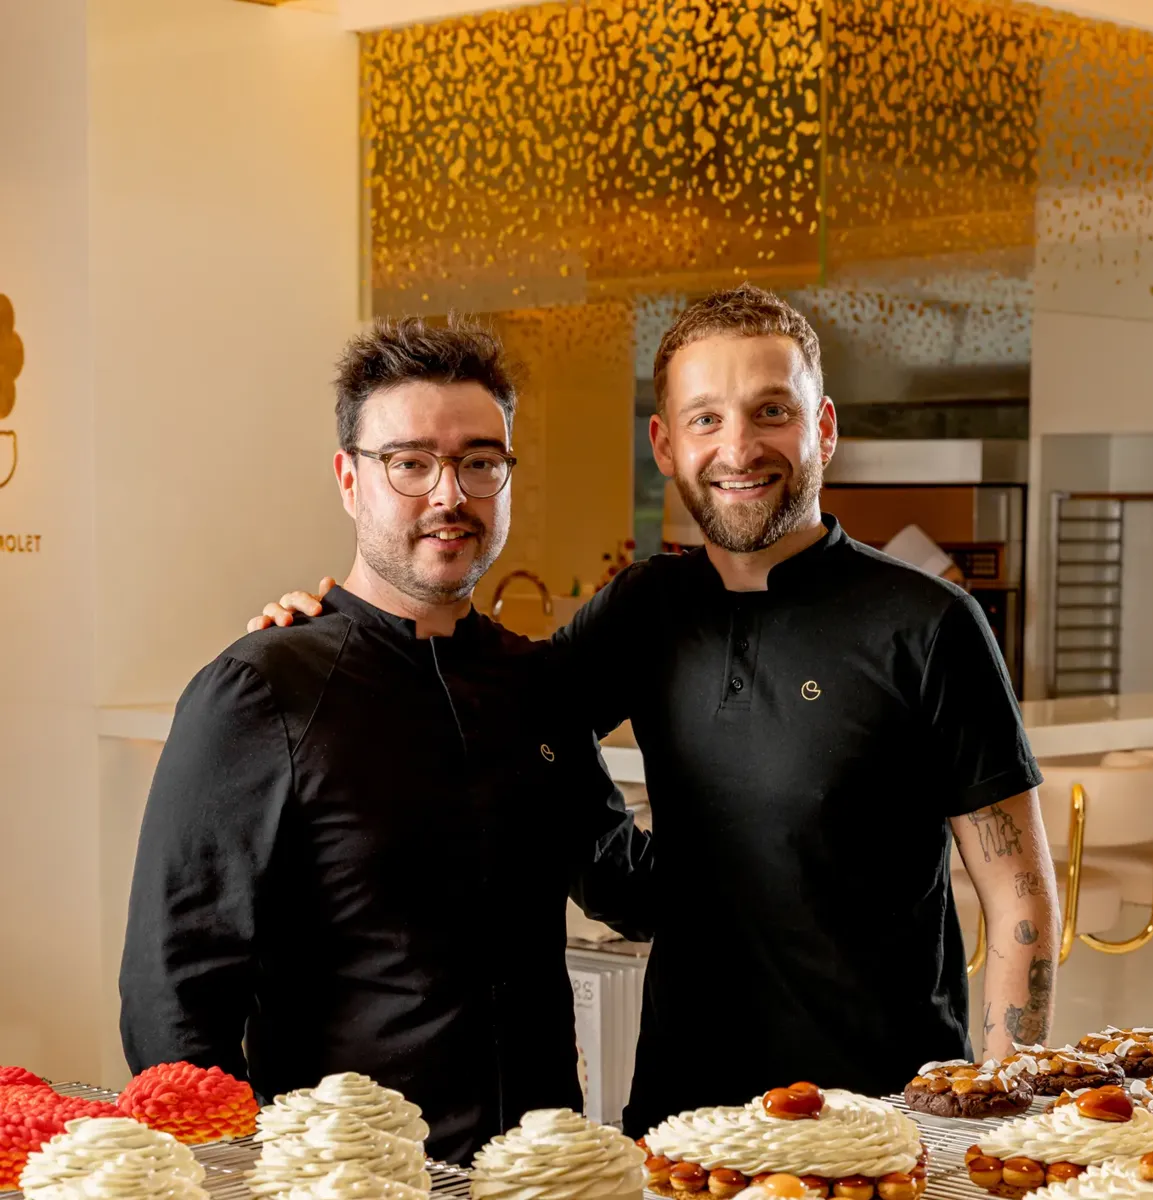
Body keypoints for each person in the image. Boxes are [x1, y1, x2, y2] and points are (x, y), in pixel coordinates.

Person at [251, 285, 1059, 1137]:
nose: (739, 447)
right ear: (666, 445)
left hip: (883, 1119)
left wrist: (986, 1120)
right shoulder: (645, 609)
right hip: (685, 1118)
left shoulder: (929, 625)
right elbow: (495, 715)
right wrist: (332, 634)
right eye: (706, 419)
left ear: (822, 429)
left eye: (771, 411)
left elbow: (1021, 897)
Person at [120, 317, 653, 1165]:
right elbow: (176, 991)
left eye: (480, 461)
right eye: (410, 462)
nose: (450, 494)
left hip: (542, 1173)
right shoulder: (261, 689)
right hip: (346, 1181)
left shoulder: (535, 685)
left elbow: (630, 887)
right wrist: (227, 1175)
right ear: (349, 479)